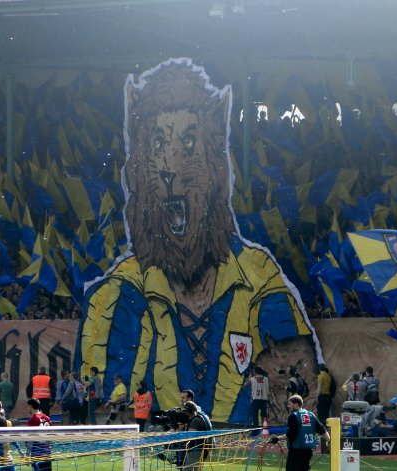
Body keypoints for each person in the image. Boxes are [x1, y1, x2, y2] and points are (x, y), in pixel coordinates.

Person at [74, 58, 321, 424]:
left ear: (215, 165)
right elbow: (106, 408)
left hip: (239, 449)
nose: (169, 165)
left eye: (188, 142)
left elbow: (298, 388)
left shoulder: (260, 282)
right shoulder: (116, 298)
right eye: (158, 143)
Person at [285, 394, 330, 471]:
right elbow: (322, 429)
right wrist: (329, 441)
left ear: (296, 404)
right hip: (309, 450)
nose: (288, 406)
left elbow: (291, 434)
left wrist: (277, 438)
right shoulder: (311, 414)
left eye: (290, 404)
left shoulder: (293, 416)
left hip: (296, 449)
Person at [181, 401, 212, 471]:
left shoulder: (195, 421)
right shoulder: (201, 417)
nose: (185, 413)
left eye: (185, 411)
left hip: (195, 450)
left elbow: (189, 436)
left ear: (189, 411)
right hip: (201, 449)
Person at [26, 398, 52, 471]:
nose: (27, 409)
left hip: (37, 454)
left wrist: (27, 454)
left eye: (28, 406)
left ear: (30, 406)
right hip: (47, 453)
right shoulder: (47, 418)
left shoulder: (33, 420)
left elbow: (31, 439)